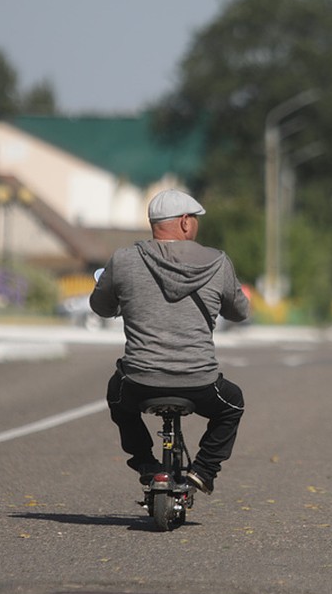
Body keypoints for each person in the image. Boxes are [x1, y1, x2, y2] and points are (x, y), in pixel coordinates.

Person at [89, 189, 250, 495]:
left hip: (140, 380)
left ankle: (146, 463)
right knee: (232, 405)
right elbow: (240, 312)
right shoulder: (218, 262)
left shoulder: (123, 260)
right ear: (186, 223)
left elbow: (100, 307)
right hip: (199, 383)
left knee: (117, 395)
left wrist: (124, 303)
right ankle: (203, 470)